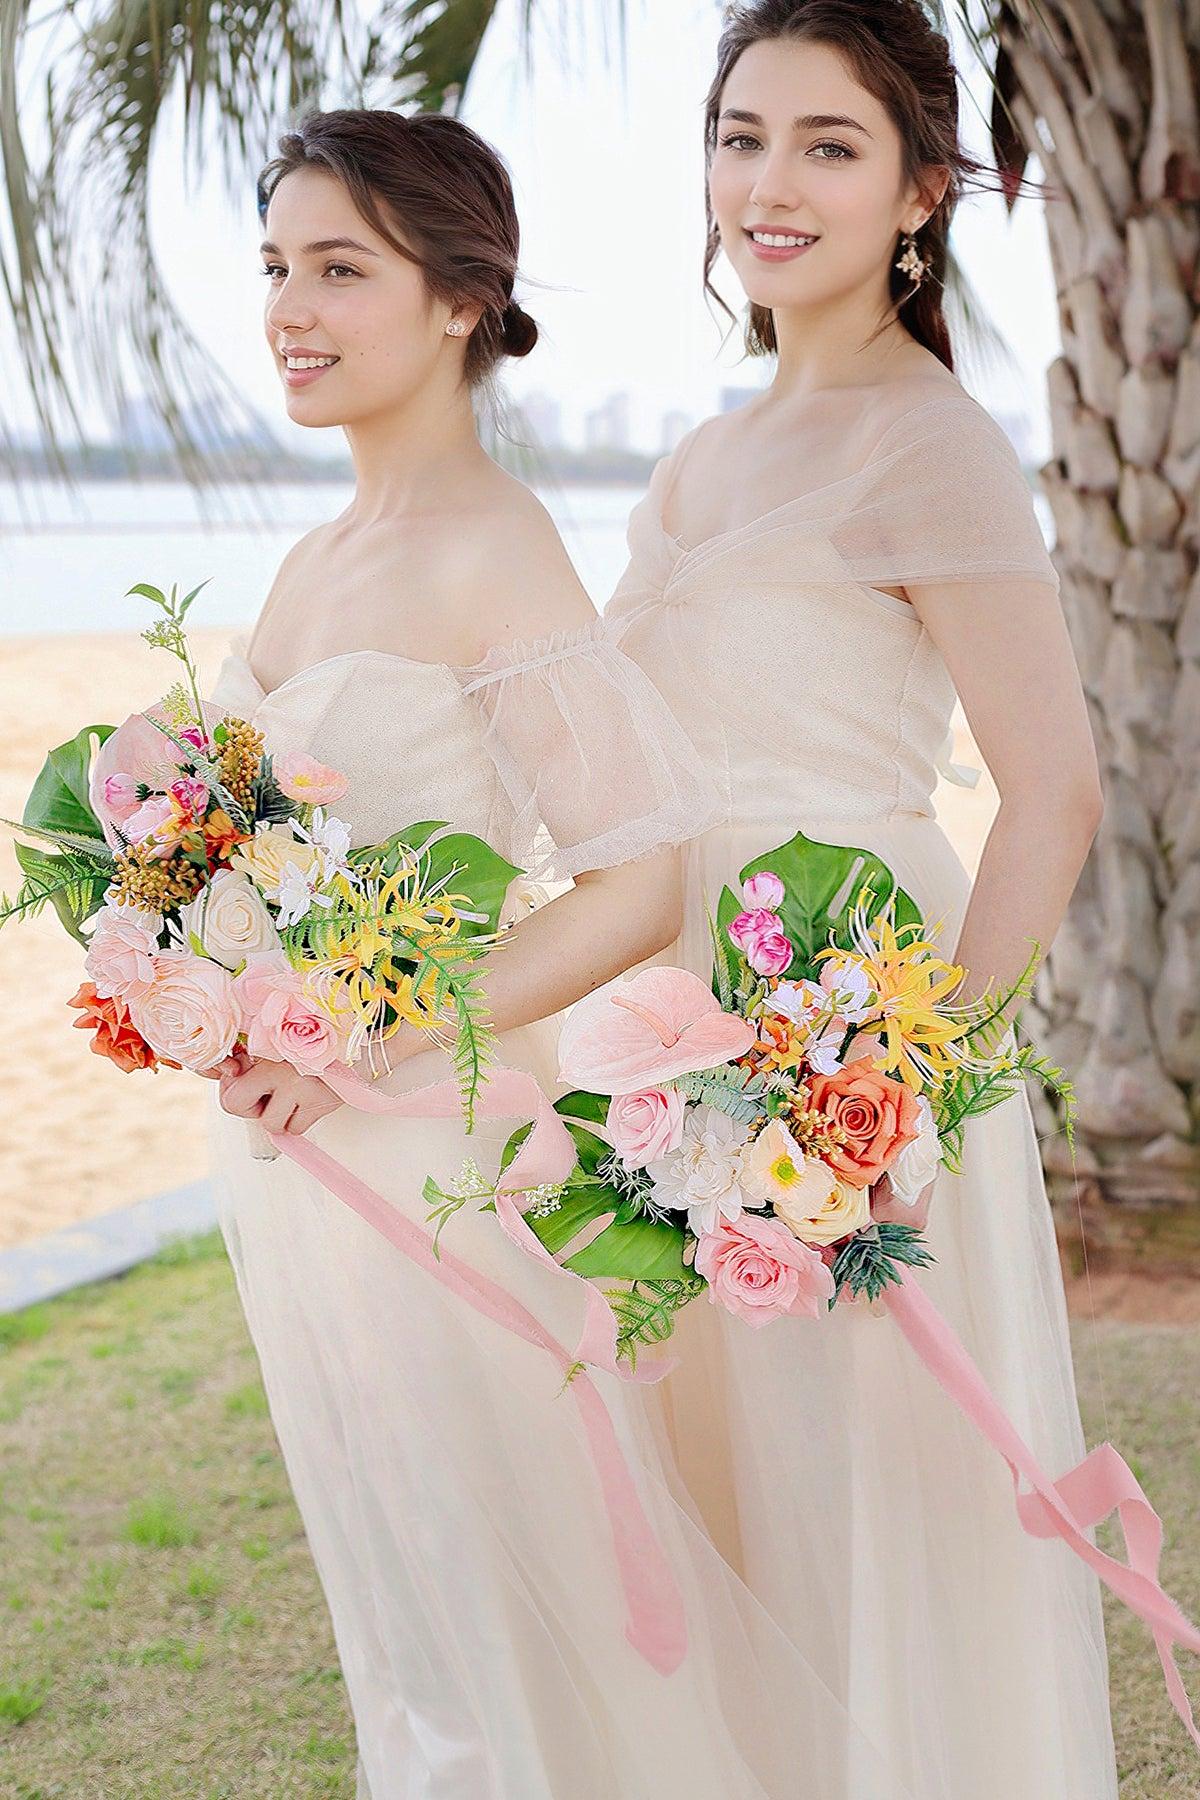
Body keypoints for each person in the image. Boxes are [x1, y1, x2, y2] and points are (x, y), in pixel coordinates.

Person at [207, 107, 914, 1799]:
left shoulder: (494, 547)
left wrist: (371, 1041)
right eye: (276, 270)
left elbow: (634, 889)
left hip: (438, 1152)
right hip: (294, 1170)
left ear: (461, 299)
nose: (291, 310)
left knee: (525, 1610)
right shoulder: (317, 555)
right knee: (413, 1614)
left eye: (339, 269)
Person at [599, 3, 1120, 1794]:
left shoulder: (932, 444)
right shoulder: (697, 459)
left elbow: (1053, 795)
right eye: (744, 135)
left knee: (859, 1487)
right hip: (680, 1008)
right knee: (714, 1490)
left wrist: (907, 1093)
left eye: (828, 144)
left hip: (849, 1011)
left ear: (920, 189)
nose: (770, 180)